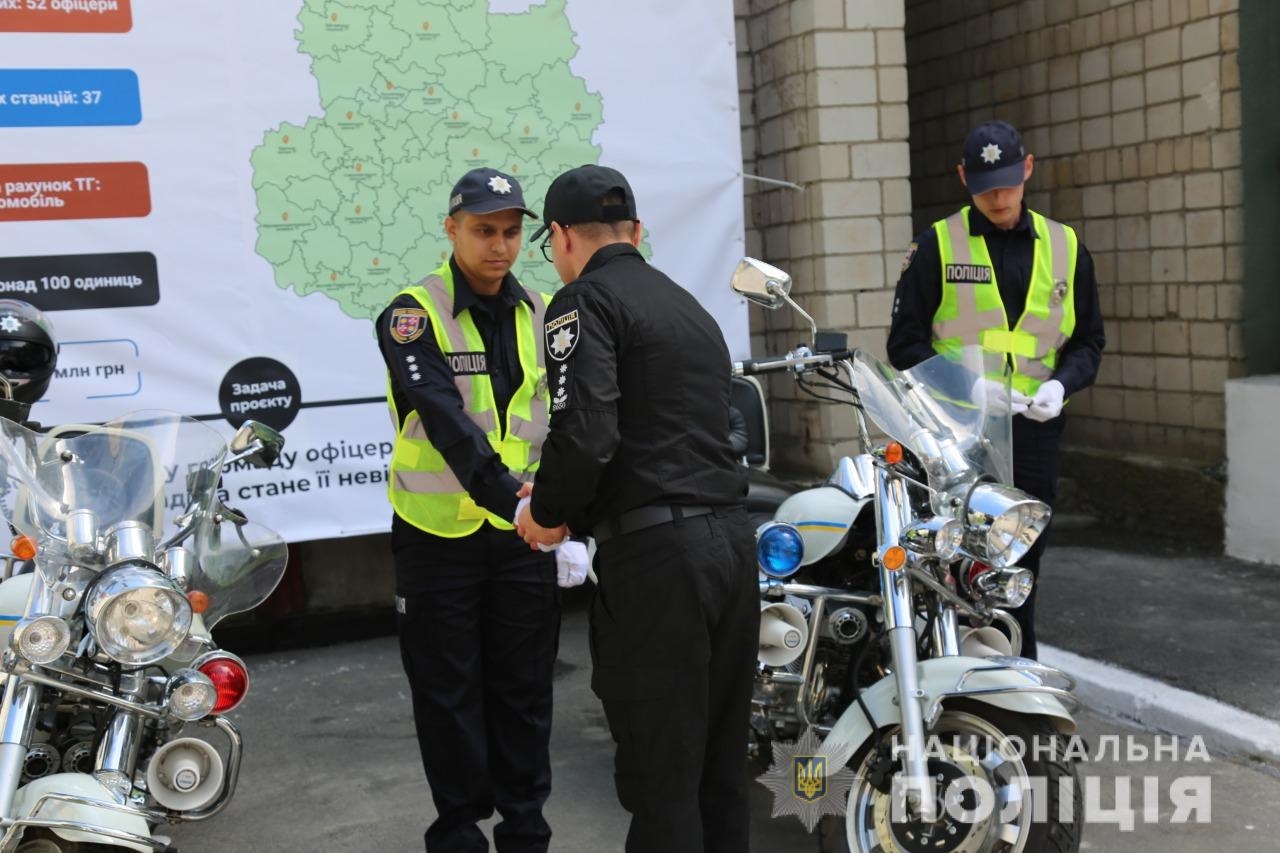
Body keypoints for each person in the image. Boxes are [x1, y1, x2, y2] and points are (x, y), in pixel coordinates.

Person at [513, 165, 758, 853]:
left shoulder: (580, 301)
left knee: (661, 777)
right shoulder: (690, 308)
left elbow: (587, 432)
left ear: (559, 236)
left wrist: (550, 512)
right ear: (637, 231)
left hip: (658, 565)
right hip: (732, 547)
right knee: (719, 770)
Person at [375, 167, 588, 853]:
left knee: (525, 692)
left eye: (509, 231)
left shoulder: (545, 312)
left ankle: (526, 830)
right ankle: (460, 833)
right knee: (447, 695)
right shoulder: (412, 314)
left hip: (524, 541)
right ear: (452, 229)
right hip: (437, 536)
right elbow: (443, 418)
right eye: (483, 230)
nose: (499, 245)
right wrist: (517, 500)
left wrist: (569, 515)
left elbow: (567, 418)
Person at [887, 120, 1105, 661]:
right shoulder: (938, 244)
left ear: (1027, 169)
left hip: (1033, 435)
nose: (999, 197)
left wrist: (1061, 383)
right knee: (951, 574)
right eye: (985, 187)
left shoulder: (1066, 246)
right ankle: (948, 687)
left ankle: (1016, 693)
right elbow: (904, 344)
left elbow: (1088, 343)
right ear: (964, 178)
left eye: (1008, 183)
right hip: (954, 440)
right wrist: (972, 385)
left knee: (1019, 576)